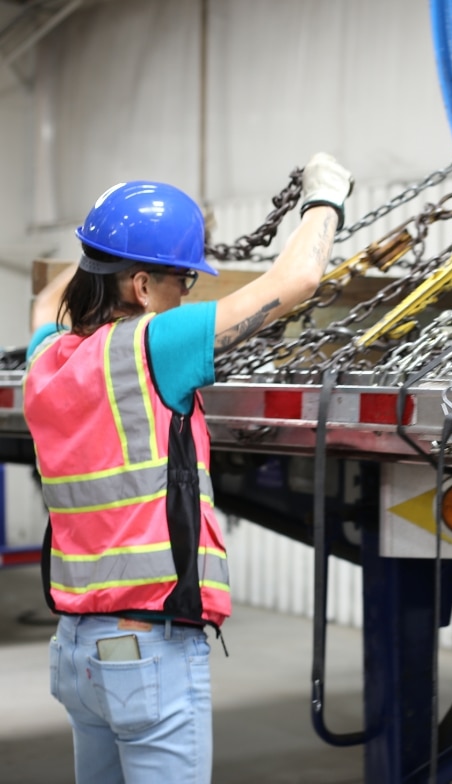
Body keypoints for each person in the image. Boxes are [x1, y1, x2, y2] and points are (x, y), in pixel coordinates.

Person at [22, 152, 353, 784]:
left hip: (77, 654)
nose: (186, 296)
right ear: (142, 287)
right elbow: (298, 280)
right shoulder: (153, 345)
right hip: (146, 651)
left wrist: (107, 245)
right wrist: (325, 198)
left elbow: (46, 301)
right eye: (182, 282)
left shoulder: (48, 362)